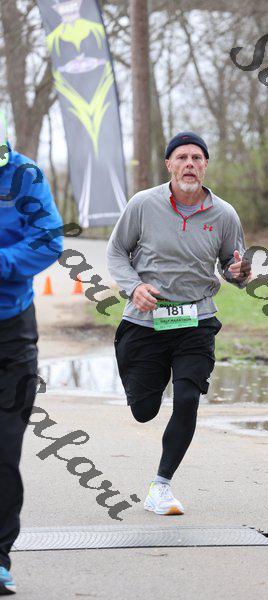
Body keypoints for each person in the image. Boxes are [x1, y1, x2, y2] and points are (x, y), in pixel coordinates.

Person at [107, 131, 251, 516]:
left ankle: (161, 486)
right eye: (182, 157)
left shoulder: (224, 214)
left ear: (206, 166)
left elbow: (233, 266)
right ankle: (143, 393)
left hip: (196, 319)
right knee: (144, 409)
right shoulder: (143, 204)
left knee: (188, 399)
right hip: (145, 321)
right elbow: (117, 251)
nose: (190, 164)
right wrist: (134, 287)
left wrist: (239, 273)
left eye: (197, 158)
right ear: (169, 164)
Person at [0, 112, 63, 595]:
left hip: (11, 329)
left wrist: (2, 262)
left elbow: (49, 239)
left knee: (4, 444)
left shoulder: (23, 175)